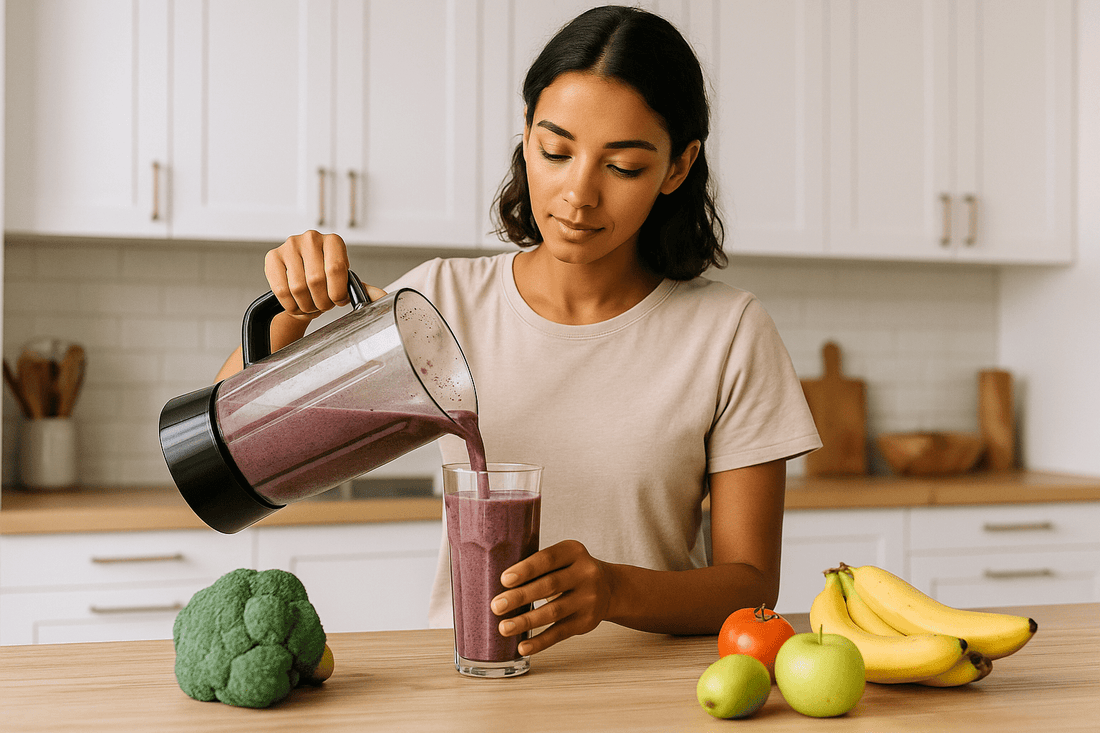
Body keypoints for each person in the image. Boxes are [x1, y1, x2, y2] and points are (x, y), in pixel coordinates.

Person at [217, 5, 820, 656]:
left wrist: (614, 590)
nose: (577, 194)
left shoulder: (729, 333)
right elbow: (231, 455)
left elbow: (752, 584)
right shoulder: (439, 302)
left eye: (622, 166)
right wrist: (295, 307)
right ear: (526, 134)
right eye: (555, 151)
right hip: (476, 680)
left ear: (677, 167)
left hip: (653, 692)